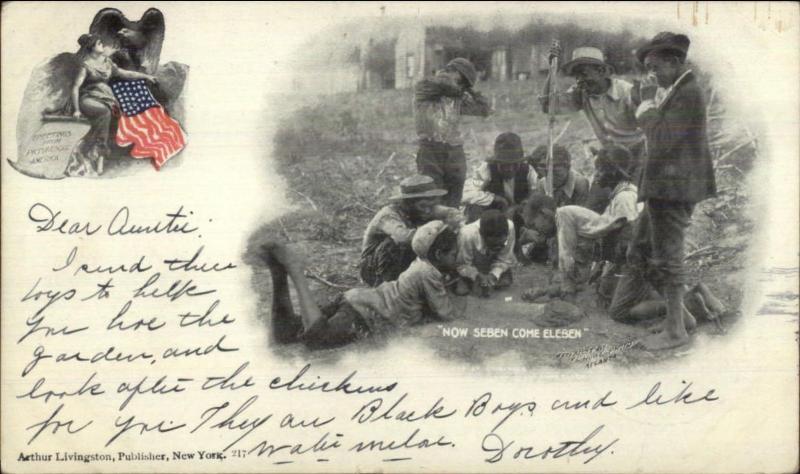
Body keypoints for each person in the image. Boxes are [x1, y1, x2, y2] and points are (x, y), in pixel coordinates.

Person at [611, 32, 717, 350]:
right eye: (648, 68)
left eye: (655, 67)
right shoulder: (676, 90)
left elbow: (661, 140)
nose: (651, 75)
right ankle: (683, 314)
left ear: (673, 62)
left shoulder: (688, 92)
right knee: (647, 250)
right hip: (666, 187)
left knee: (669, 257)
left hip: (674, 189)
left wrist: (644, 103)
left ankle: (676, 331)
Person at [263, 221, 464, 350]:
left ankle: (278, 272)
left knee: (289, 331)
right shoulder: (429, 273)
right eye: (454, 254)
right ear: (439, 255)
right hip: (366, 314)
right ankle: (296, 271)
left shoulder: (420, 264)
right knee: (317, 337)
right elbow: (445, 312)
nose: (457, 258)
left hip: (358, 300)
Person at [540, 44, 646, 212]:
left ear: (602, 72)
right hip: (609, 159)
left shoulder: (627, 93)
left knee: (631, 206)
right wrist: (552, 71)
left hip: (638, 158)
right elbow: (548, 105)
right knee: (591, 209)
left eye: (584, 73)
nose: (580, 80)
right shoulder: (581, 94)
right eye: (576, 76)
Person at [551, 145, 641, 297]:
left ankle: (569, 277)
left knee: (565, 213)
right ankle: (568, 276)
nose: (596, 175)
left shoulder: (624, 197)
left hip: (630, 260)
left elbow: (628, 236)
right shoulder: (620, 192)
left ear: (614, 173)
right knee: (566, 214)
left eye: (600, 170)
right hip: (616, 246)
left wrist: (610, 266)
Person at [63, 33, 157, 177]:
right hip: (89, 99)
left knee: (116, 113)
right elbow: (75, 87)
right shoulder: (86, 65)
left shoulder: (107, 63)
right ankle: (99, 155)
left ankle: (94, 150)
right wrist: (76, 109)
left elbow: (125, 74)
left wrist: (145, 76)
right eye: (99, 43)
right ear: (91, 47)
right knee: (105, 112)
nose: (102, 45)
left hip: (107, 99)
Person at [360, 175, 463, 287]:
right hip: (373, 269)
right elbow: (404, 238)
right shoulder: (387, 216)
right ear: (407, 203)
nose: (428, 210)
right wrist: (441, 230)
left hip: (404, 262)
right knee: (393, 244)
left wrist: (452, 221)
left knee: (439, 237)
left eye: (431, 205)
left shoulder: (423, 208)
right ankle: (388, 289)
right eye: (423, 206)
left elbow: (453, 214)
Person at [415, 58, 491, 207]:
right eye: (461, 80)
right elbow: (444, 83)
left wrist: (470, 89)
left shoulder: (457, 94)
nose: (461, 85)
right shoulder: (425, 86)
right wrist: (461, 87)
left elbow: (484, 109)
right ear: (452, 71)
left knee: (454, 200)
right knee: (432, 197)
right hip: (430, 149)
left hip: (454, 151)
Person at [454, 210, 517, 297]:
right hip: (473, 262)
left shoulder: (510, 227)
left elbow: (505, 258)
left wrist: (493, 275)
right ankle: (466, 279)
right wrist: (477, 275)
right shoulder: (466, 234)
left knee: (504, 283)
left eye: (501, 244)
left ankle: (492, 274)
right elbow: (463, 264)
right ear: (481, 234)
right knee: (462, 291)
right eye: (493, 244)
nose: (497, 247)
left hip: (493, 260)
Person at [530, 144, 591, 208]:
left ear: (567, 167)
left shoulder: (579, 183)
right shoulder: (542, 184)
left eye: (555, 172)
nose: (550, 177)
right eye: (545, 173)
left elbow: (580, 212)